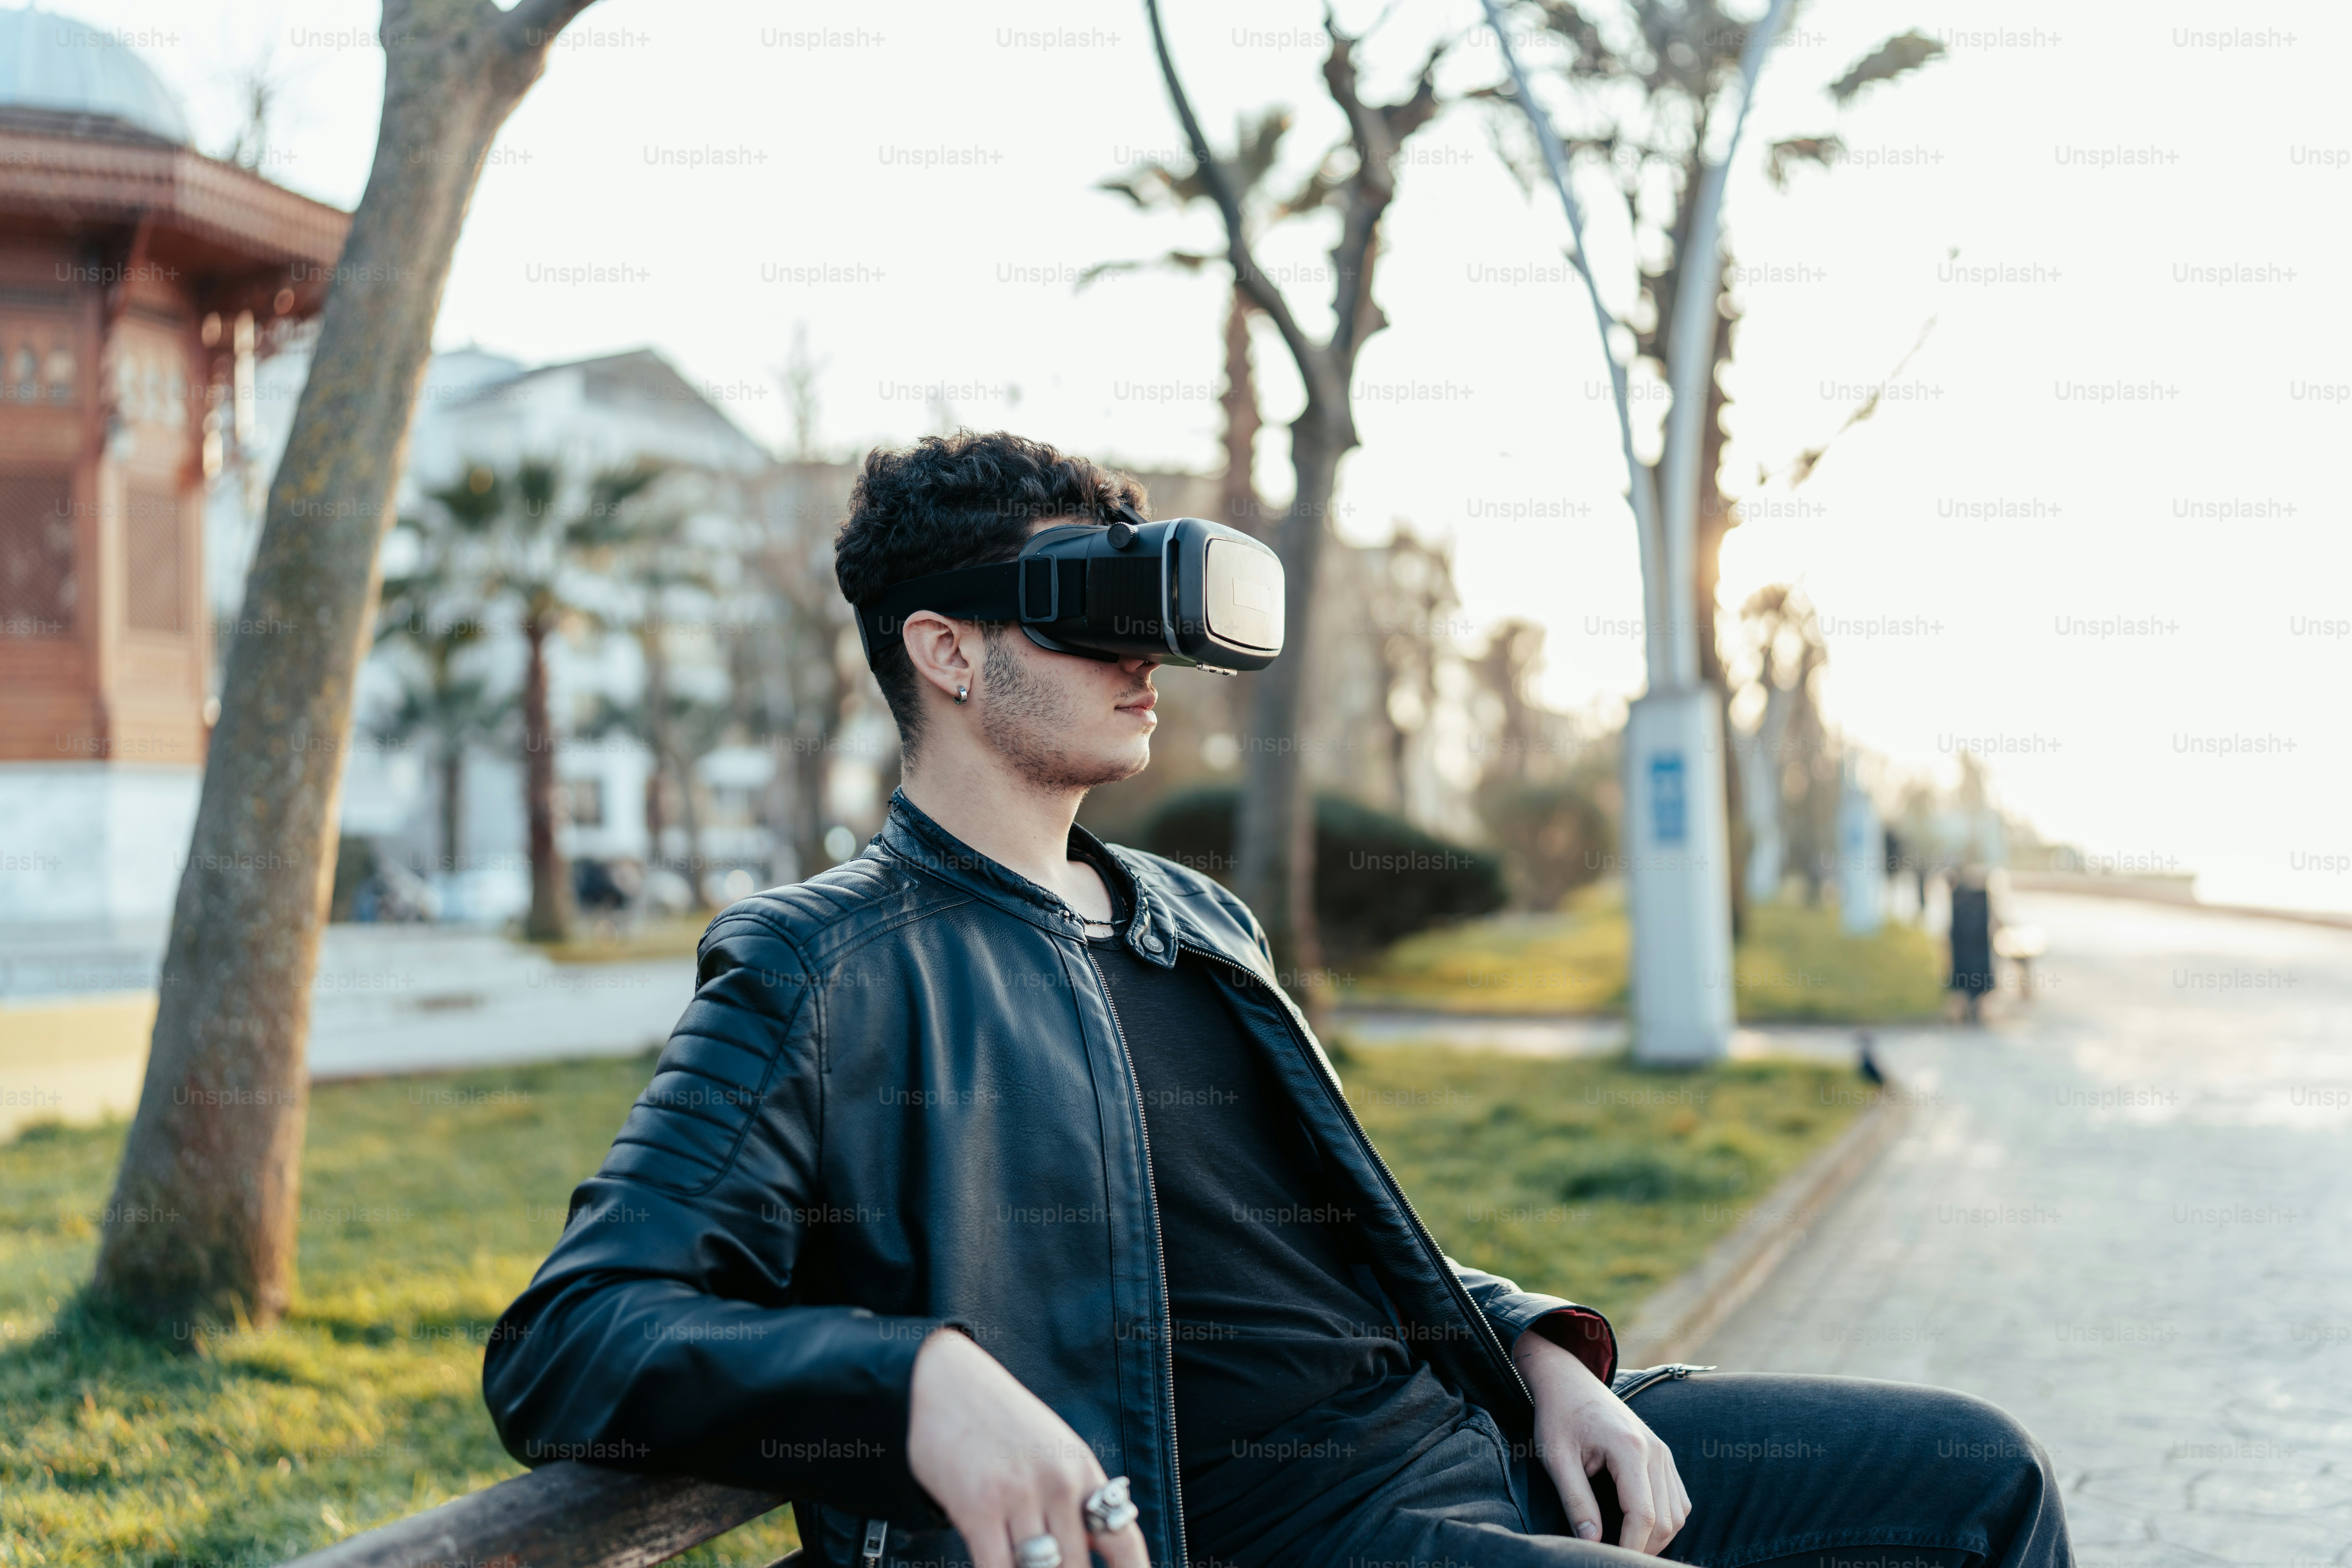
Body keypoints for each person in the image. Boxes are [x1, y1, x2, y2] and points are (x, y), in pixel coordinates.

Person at [483, 433, 2070, 1568]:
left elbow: (1317, 1243)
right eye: (1079, 607)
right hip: (1285, 1528)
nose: (1140, 655)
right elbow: (574, 1336)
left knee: (1978, 1478)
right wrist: (910, 1376)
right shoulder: (823, 963)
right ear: (945, 652)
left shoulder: (1191, 914)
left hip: (1469, 1433)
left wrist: (1531, 1349)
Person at [1948, 865, 1999, 1024]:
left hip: (1968, 946)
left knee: (1967, 980)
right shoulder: (1979, 898)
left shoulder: (1959, 898)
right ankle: (1972, 1010)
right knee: (1972, 980)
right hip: (1973, 946)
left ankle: (1971, 1010)